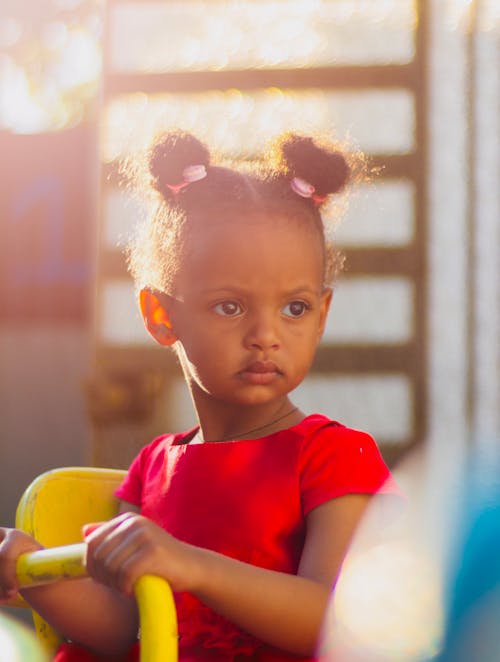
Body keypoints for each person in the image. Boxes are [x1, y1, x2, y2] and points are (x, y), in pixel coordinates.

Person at [0, 130, 400, 661]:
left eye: (295, 308)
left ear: (322, 315)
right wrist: (33, 571)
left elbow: (337, 624)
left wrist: (193, 565)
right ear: (162, 317)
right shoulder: (152, 468)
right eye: (231, 307)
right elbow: (124, 628)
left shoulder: (334, 457)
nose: (266, 334)